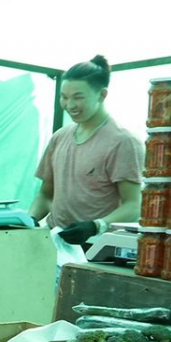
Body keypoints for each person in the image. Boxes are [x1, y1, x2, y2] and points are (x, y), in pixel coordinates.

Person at [31, 56, 144, 259]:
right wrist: (29, 220)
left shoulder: (122, 141)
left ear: (102, 95)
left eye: (78, 97)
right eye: (64, 97)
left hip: (97, 248)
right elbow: (46, 195)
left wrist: (95, 226)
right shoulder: (60, 137)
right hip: (56, 242)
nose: (69, 104)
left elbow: (133, 205)